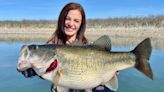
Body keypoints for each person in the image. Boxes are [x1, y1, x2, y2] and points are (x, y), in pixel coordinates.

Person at [47, 2, 115, 92]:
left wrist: (109, 75)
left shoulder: (89, 46)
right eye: (67, 19)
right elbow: (41, 69)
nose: (71, 24)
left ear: (81, 24)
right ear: (61, 20)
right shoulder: (50, 47)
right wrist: (31, 69)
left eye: (76, 21)